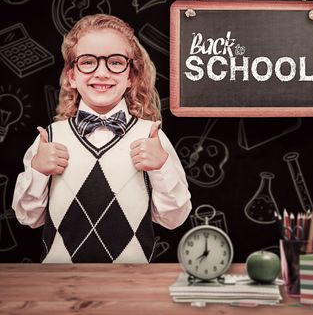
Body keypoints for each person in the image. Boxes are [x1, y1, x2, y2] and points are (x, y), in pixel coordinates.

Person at [12, 14, 192, 263]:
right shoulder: (50, 139)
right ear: (72, 75)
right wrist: (38, 171)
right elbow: (28, 218)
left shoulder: (152, 137)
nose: (102, 72)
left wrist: (161, 167)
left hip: (132, 285)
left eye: (115, 62)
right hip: (59, 285)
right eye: (88, 62)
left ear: (130, 75)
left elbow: (174, 219)